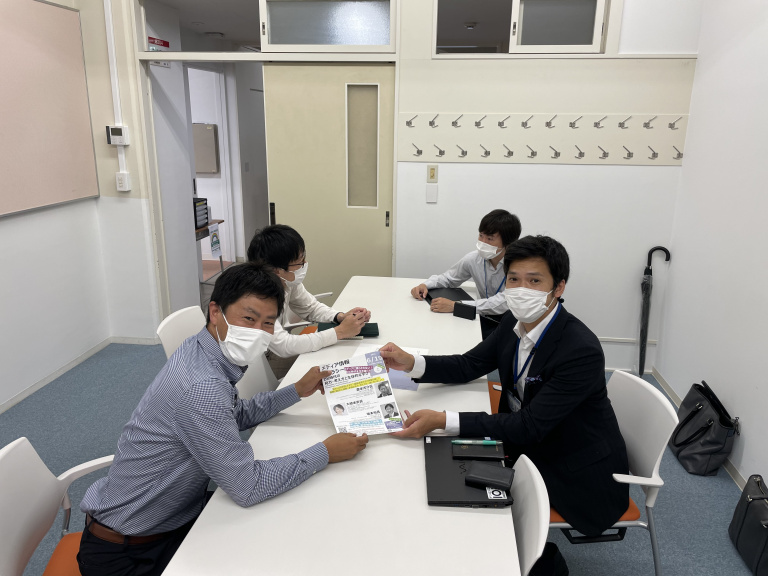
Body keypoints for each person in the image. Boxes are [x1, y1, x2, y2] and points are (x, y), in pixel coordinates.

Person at [77, 263, 369, 576]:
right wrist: (325, 452)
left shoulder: (200, 349)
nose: (258, 331)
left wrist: (296, 390)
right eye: (249, 318)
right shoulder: (202, 387)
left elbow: (231, 414)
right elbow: (248, 486)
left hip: (169, 516)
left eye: (268, 323)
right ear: (216, 312)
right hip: (130, 552)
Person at [382, 236, 629, 537]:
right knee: (432, 477)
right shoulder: (514, 319)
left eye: (534, 281)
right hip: (527, 438)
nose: (521, 289)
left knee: (466, 509)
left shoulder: (580, 350)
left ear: (559, 287)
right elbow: (469, 364)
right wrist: (411, 362)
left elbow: (529, 426)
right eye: (514, 279)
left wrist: (443, 420)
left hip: (572, 466)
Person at [248, 224, 371, 379]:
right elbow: (283, 346)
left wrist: (340, 317)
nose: (304, 264)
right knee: (336, 366)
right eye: (299, 262)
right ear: (277, 270)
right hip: (261, 365)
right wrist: (339, 332)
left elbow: (310, 307)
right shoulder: (258, 298)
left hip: (275, 352)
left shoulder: (287, 281)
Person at [410, 209, 521, 320]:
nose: (483, 242)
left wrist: (456, 306)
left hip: (512, 321)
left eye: (489, 238)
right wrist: (425, 285)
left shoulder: (518, 266)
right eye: (481, 235)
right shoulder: (474, 259)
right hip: (482, 317)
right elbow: (449, 278)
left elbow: (504, 302)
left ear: (508, 243)